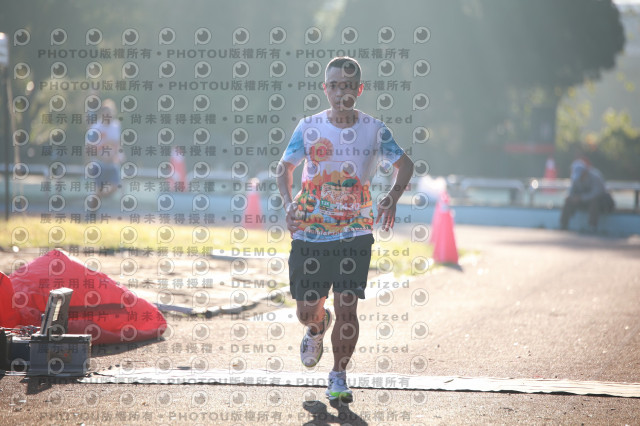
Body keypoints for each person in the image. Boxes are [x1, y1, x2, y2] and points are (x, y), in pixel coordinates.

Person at [276, 57, 414, 403]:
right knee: (306, 310)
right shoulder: (308, 127)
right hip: (310, 231)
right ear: (325, 89)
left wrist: (391, 197)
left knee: (348, 306)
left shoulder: (375, 129)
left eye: (349, 86)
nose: (342, 93)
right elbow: (284, 168)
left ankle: (338, 376)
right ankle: (316, 326)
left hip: (355, 231)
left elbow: (405, 165)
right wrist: (288, 203)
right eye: (335, 86)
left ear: (359, 89)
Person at [85, 99, 123, 199]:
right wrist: (101, 157)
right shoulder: (96, 127)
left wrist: (119, 155)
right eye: (105, 113)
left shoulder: (116, 126)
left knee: (115, 187)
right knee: (98, 189)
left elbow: (117, 144)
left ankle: (97, 197)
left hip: (112, 164)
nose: (108, 116)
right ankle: (94, 202)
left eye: (110, 113)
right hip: (99, 164)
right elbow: (89, 147)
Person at [560, 161, 614, 230]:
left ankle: (592, 226)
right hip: (583, 201)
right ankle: (563, 225)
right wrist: (570, 197)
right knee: (568, 201)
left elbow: (597, 193)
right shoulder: (576, 178)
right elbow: (571, 190)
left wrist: (581, 198)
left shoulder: (595, 176)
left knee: (594, 202)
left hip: (601, 202)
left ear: (584, 172)